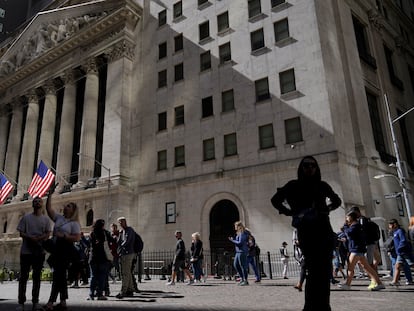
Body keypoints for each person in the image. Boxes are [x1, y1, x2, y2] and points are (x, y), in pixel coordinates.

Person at [271, 155, 341, 311]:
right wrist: (289, 212)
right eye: (306, 165)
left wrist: (326, 209)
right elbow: (275, 199)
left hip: (324, 231)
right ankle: (311, 306)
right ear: (301, 168)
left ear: (317, 168)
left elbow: (337, 201)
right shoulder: (293, 185)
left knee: (323, 271)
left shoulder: (322, 185)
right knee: (314, 270)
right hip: (307, 232)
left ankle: (323, 306)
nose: (310, 168)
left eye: (313, 165)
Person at [44, 189, 81, 311]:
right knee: (60, 277)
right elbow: (49, 210)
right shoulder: (59, 218)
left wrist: (64, 236)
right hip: (56, 249)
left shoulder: (74, 223)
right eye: (66, 205)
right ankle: (63, 302)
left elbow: (77, 237)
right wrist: (49, 195)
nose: (66, 207)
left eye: (69, 206)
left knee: (57, 276)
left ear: (73, 210)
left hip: (65, 250)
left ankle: (50, 303)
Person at [16, 197, 52, 311]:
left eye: (39, 201)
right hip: (26, 251)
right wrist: (31, 238)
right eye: (35, 201)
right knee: (23, 278)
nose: (37, 203)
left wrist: (39, 238)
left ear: (42, 204)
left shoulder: (46, 219)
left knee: (37, 278)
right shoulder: (26, 218)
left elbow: (48, 233)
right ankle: (21, 302)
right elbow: (21, 233)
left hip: (39, 252)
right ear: (32, 204)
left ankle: (35, 302)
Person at [338, 211, 385, 291]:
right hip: (359, 250)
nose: (346, 219)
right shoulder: (356, 226)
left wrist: (345, 226)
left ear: (352, 217)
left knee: (350, 267)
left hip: (355, 250)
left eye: (347, 217)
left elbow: (349, 233)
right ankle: (379, 283)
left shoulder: (355, 226)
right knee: (367, 268)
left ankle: (347, 284)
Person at [348, 206, 381, 272]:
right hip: (373, 242)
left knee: (368, 262)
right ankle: (375, 275)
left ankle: (373, 277)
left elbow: (362, 231)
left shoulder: (361, 220)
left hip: (368, 243)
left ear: (356, 212)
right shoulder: (367, 219)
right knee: (376, 259)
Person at [87, 219, 114, 300]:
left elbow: (89, 245)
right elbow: (112, 240)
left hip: (93, 257)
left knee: (93, 276)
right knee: (102, 276)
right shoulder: (105, 233)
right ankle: (99, 294)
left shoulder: (91, 233)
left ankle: (91, 294)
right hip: (102, 257)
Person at [115, 217, 137, 298]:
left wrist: (120, 247)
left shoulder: (129, 230)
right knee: (127, 272)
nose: (120, 224)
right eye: (119, 223)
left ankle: (123, 291)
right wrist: (118, 235)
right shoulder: (122, 231)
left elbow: (127, 241)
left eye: (121, 222)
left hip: (128, 253)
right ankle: (130, 289)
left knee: (125, 273)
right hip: (123, 253)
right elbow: (118, 242)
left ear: (125, 222)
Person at [388, 218, 414, 286]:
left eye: (390, 225)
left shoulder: (400, 231)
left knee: (411, 264)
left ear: (395, 224)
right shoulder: (394, 232)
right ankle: (395, 281)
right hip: (400, 253)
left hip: (404, 252)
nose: (389, 226)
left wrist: (399, 248)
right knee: (397, 266)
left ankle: (396, 281)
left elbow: (403, 240)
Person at [228, 221, 249, 286]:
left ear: (239, 226)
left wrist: (232, 240)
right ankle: (242, 278)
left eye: (235, 226)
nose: (235, 227)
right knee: (236, 265)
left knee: (243, 266)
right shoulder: (239, 233)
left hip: (242, 251)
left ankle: (245, 280)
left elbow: (240, 243)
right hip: (238, 251)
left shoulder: (242, 233)